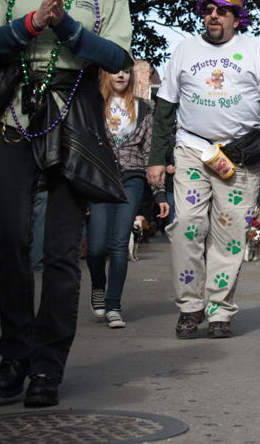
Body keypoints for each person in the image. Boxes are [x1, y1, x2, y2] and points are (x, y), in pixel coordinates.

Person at [0, 0, 133, 406]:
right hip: (13, 118)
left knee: (63, 251)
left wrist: (65, 26)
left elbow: (118, 59)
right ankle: (15, 353)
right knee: (10, 240)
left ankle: (48, 365)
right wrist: (31, 22)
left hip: (74, 120)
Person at [147, 0, 260, 340]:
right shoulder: (184, 50)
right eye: (209, 9)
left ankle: (219, 309)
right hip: (192, 150)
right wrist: (156, 161)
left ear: (237, 18)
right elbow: (165, 109)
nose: (213, 16)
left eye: (221, 11)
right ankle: (190, 306)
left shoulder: (255, 51)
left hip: (240, 157)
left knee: (229, 236)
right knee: (186, 229)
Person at [85, 69, 169, 328]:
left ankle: (113, 306)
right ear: (105, 74)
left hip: (131, 180)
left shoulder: (143, 108)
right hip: (100, 178)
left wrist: (159, 193)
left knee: (120, 244)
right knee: (97, 247)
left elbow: (149, 154)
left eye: (125, 71)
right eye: (114, 70)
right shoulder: (94, 104)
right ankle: (99, 286)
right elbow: (84, 146)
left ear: (131, 76)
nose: (120, 75)